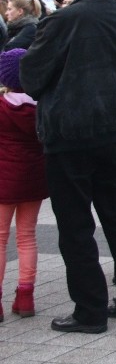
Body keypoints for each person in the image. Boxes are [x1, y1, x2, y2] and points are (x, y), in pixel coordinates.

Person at [20, 0, 116, 334]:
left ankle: (90, 309)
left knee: (76, 226)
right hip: (114, 132)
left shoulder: (63, 20)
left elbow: (31, 77)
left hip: (70, 135)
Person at [0, 48, 48, 321]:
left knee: (0, 238)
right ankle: (26, 296)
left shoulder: (1, 107)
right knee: (27, 236)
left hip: (3, 179)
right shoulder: (40, 107)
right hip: (32, 179)